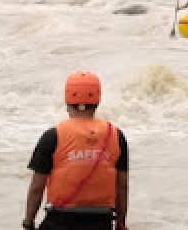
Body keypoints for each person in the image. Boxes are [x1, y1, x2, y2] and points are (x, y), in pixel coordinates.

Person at [24, 72, 128, 230]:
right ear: (98, 100)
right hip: (101, 221)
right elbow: (122, 186)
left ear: (67, 99)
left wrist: (28, 222)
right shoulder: (115, 135)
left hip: (59, 220)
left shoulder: (53, 135)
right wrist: (120, 223)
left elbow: (37, 187)